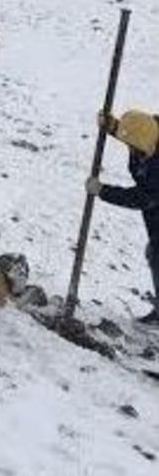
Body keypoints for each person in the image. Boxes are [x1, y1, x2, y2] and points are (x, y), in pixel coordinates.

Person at [86, 109, 159, 325]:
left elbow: (142, 198)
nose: (131, 151)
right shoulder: (148, 135)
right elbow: (135, 133)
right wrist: (114, 127)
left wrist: (103, 191)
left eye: (134, 150)